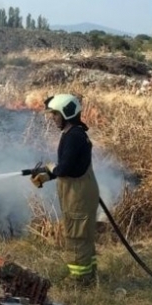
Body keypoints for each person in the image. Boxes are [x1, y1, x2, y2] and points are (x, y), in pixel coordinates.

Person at [29, 93, 99, 285]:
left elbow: (64, 168)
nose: (52, 119)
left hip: (77, 195)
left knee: (76, 236)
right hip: (81, 191)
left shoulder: (73, 137)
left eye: (55, 115)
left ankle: (79, 279)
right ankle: (89, 274)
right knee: (83, 236)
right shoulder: (74, 133)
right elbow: (70, 167)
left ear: (66, 114)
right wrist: (48, 175)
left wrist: (51, 169)